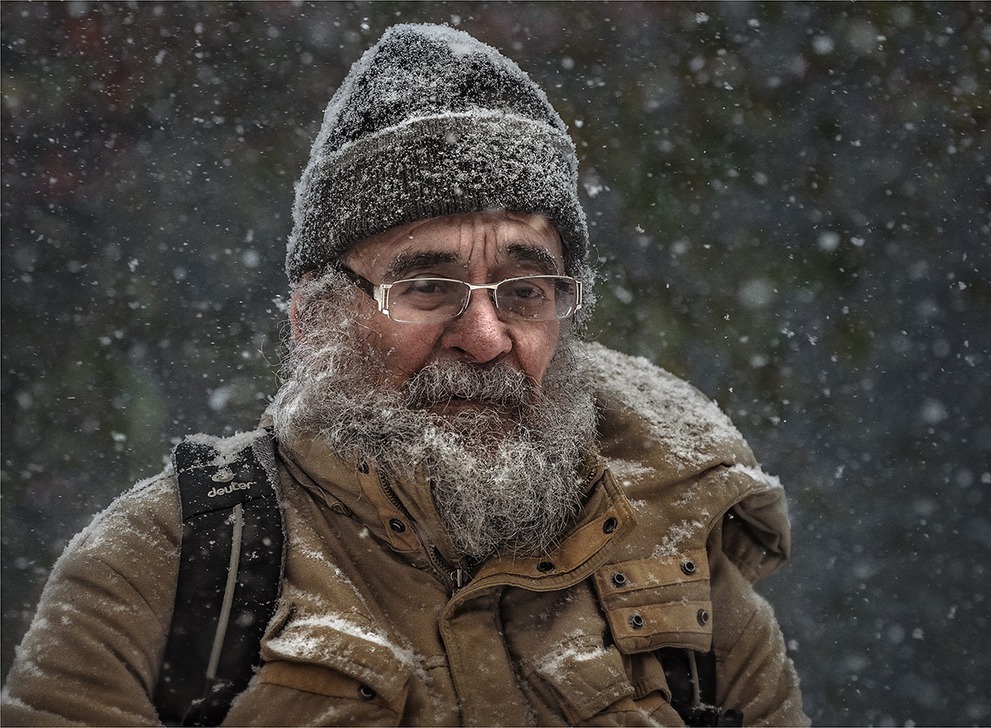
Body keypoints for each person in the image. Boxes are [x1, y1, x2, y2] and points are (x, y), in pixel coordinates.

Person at [2, 23, 808, 726]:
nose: (486, 338)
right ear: (314, 317)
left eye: (525, 291)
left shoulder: (688, 573)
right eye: (427, 287)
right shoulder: (167, 570)